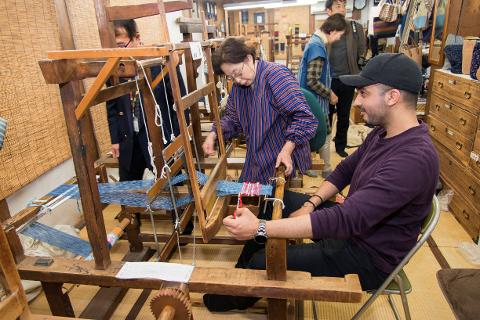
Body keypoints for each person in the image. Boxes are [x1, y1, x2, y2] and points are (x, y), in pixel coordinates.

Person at [203, 53, 439, 312]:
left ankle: (232, 291)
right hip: (357, 228)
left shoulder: (413, 159)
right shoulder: (384, 135)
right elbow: (345, 170)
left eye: (364, 93)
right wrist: (312, 203)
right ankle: (242, 275)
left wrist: (261, 228)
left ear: (392, 97)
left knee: (263, 261)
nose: (357, 101)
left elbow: (346, 219)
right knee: (272, 203)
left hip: (368, 256)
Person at [202, 37, 318, 184]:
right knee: (248, 192)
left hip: (281, 153)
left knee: (267, 198)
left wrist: (287, 150)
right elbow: (232, 118)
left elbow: (304, 118)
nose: (236, 80)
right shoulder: (239, 88)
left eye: (237, 72)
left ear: (248, 58)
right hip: (258, 153)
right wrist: (213, 134)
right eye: (231, 77)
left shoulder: (276, 76)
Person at [107, 19, 187, 182]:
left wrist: (179, 139)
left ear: (136, 38)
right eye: (114, 46)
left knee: (174, 186)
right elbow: (112, 107)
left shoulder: (161, 62)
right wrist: (115, 141)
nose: (118, 51)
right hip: (129, 140)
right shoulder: (115, 68)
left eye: (122, 45)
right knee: (129, 191)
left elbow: (180, 103)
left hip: (160, 137)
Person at [298, 13, 347, 178]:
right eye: (340, 34)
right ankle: (326, 170)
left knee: (313, 133)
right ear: (332, 31)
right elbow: (312, 81)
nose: (339, 38)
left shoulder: (315, 43)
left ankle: (314, 166)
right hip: (315, 101)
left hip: (313, 100)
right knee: (323, 134)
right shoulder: (318, 47)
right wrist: (330, 94)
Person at [326, 0, 367, 158]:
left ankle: (340, 145)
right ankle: (323, 147)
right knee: (326, 115)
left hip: (348, 78)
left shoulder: (355, 28)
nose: (342, 9)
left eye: (344, 6)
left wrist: (359, 70)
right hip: (329, 80)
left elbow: (362, 49)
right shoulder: (324, 31)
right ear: (329, 11)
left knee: (344, 115)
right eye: (338, 6)